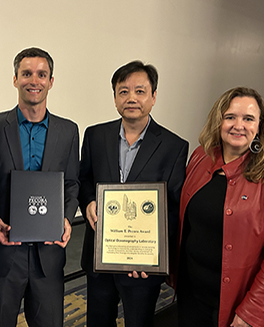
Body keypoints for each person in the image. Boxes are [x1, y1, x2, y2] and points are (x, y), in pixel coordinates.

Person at [174, 87, 264, 327]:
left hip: (238, 306)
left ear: (259, 126)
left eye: (248, 118)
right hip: (191, 294)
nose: (238, 125)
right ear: (219, 120)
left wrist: (251, 314)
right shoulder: (200, 157)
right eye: (230, 117)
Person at [79, 60, 188, 327]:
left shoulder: (174, 146)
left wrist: (154, 258)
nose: (131, 98)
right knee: (97, 321)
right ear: (115, 98)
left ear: (153, 97)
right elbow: (84, 181)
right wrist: (88, 202)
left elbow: (173, 208)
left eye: (140, 91)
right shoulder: (95, 135)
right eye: (123, 91)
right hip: (100, 256)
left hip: (143, 266)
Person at [0, 47, 80, 327]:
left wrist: (66, 217)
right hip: (5, 249)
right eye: (26, 73)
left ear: (51, 81)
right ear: (15, 79)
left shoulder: (68, 130)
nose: (33, 80)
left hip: (48, 253)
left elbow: (72, 182)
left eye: (41, 74)